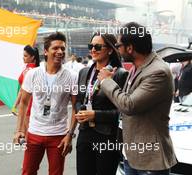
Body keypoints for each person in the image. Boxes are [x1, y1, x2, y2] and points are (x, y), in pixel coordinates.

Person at [98, 22, 177, 175]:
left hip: (150, 161)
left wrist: (106, 81)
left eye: (118, 44)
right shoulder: (137, 66)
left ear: (130, 48)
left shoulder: (158, 71)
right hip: (132, 155)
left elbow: (130, 105)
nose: (117, 48)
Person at [13, 32, 77, 175]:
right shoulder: (33, 74)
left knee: (56, 173)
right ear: (46, 51)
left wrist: (70, 134)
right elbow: (23, 103)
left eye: (62, 48)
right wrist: (19, 130)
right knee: (28, 172)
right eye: (55, 48)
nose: (60, 52)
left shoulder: (72, 76)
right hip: (34, 133)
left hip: (59, 135)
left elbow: (75, 108)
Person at [75, 32, 128, 175]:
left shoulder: (120, 74)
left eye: (97, 47)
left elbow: (123, 111)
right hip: (85, 133)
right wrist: (80, 110)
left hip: (107, 135)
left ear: (110, 50)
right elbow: (79, 100)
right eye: (91, 46)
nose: (93, 50)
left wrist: (95, 115)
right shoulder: (84, 72)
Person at [13, 45, 40, 130]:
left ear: (32, 57)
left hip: (28, 103)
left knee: (27, 132)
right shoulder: (30, 69)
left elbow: (22, 90)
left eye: (25, 56)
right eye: (23, 55)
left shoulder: (29, 71)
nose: (23, 58)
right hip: (30, 102)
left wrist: (15, 105)